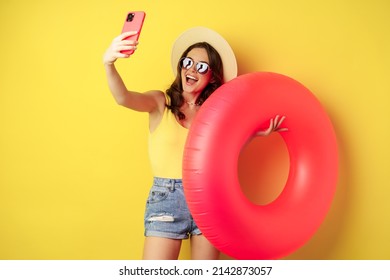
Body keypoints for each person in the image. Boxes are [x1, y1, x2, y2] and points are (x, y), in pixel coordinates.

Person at [103, 27, 286, 260]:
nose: (191, 69)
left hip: (209, 198)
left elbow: (224, 154)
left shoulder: (214, 113)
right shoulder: (161, 102)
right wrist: (109, 64)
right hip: (167, 199)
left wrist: (256, 134)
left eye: (201, 67)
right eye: (187, 62)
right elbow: (123, 97)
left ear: (212, 77)